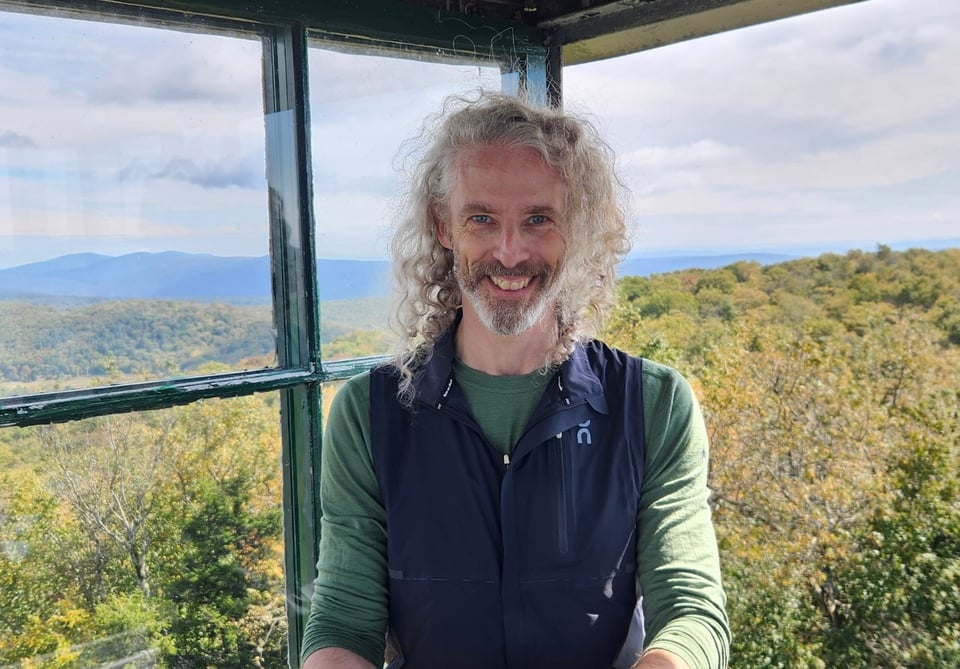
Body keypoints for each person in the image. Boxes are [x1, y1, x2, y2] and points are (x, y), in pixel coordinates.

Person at [301, 91, 730, 669]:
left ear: (575, 228)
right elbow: (344, 616)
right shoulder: (369, 413)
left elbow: (690, 609)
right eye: (482, 218)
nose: (509, 252)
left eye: (537, 219)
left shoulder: (651, 405)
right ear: (444, 226)